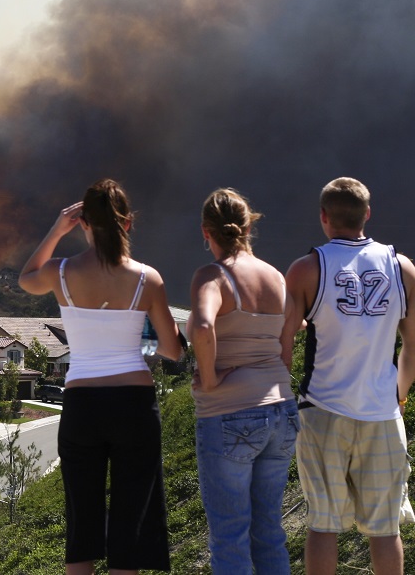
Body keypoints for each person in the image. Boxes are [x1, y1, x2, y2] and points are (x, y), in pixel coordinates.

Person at [19, 179, 182, 575]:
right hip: (134, 405)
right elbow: (172, 350)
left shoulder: (61, 273)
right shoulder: (148, 279)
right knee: (129, 528)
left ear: (83, 223)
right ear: (128, 224)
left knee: (82, 528)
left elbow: (27, 277)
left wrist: (57, 229)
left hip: (82, 406)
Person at [281, 177, 415, 575]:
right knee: (385, 529)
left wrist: (282, 404)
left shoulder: (306, 269)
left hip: (322, 410)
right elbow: (413, 346)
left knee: (323, 526)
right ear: (367, 214)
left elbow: (284, 346)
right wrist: (400, 396)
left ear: (324, 217)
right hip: (381, 413)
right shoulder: (402, 267)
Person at [188, 189, 297, 574]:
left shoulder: (212, 276)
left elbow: (202, 326)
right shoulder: (277, 278)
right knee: (268, 529)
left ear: (206, 231)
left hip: (229, 414)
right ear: (249, 225)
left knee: (230, 535)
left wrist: (213, 378)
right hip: (281, 410)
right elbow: (290, 339)